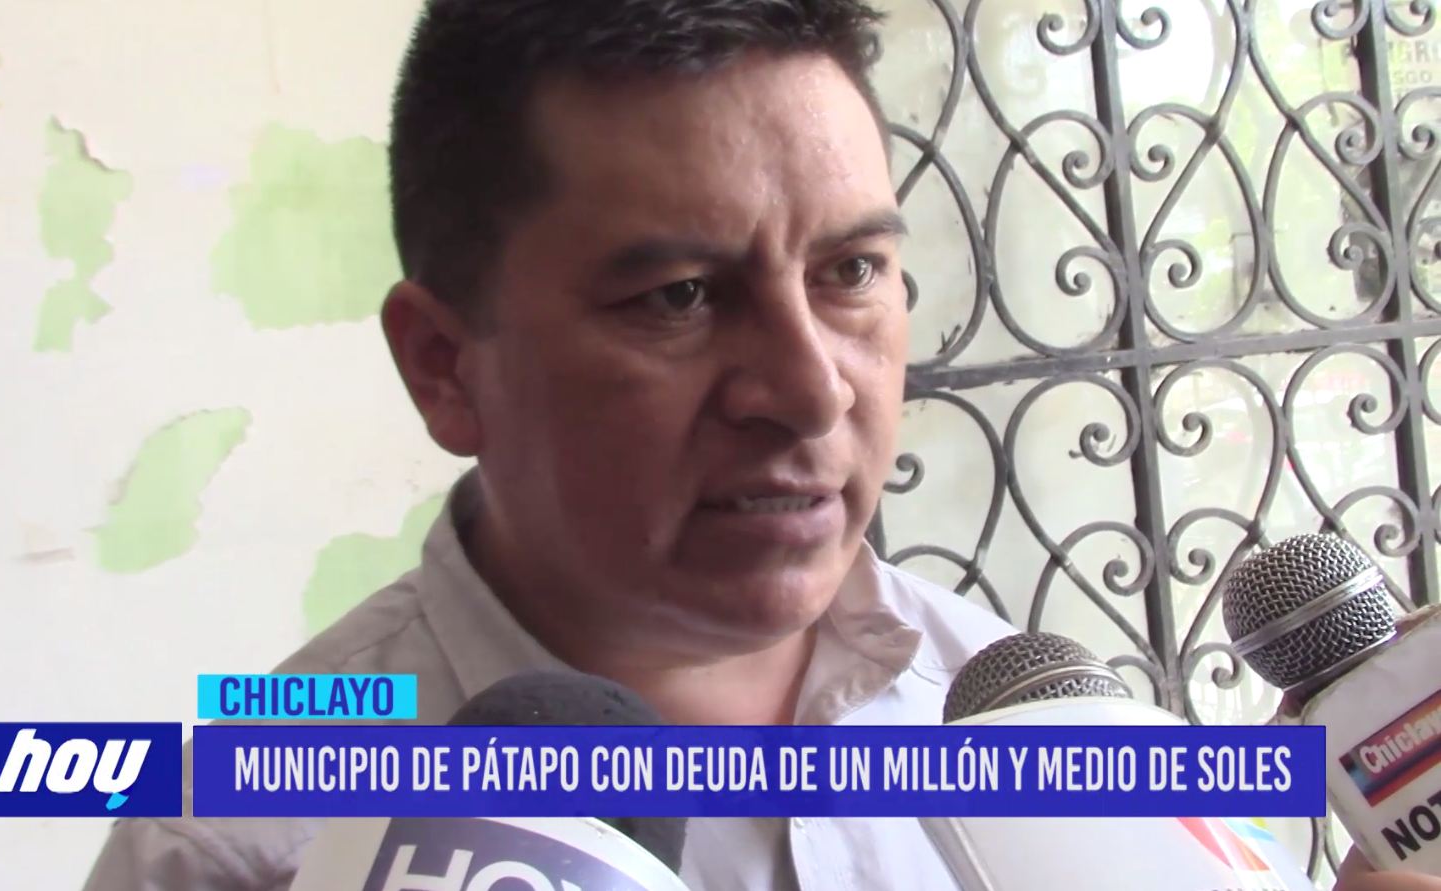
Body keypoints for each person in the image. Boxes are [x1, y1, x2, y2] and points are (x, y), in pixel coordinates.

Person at [81, 0, 1434, 888]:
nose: (808, 391)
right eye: (678, 296)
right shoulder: (240, 833)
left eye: (851, 273)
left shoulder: (1016, 718)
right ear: (445, 365)